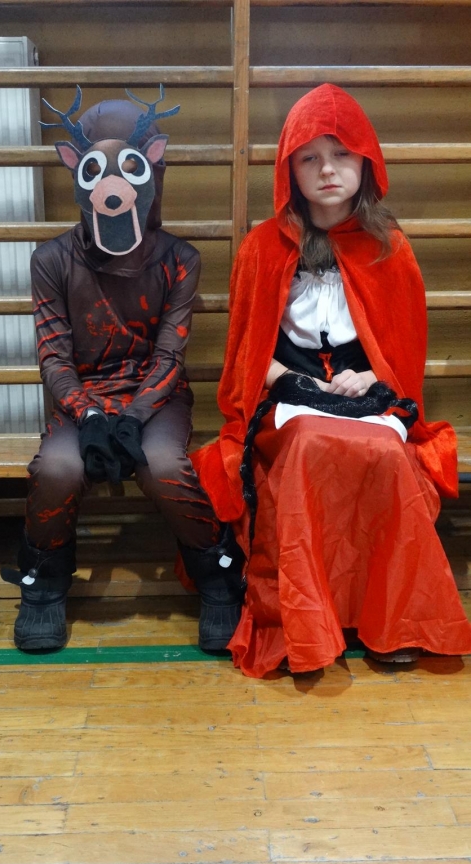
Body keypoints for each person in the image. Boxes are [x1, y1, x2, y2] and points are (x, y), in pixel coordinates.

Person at [191, 83, 471, 678]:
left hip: (369, 398)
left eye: (342, 154)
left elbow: (402, 355)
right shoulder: (263, 248)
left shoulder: (391, 247)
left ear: (365, 162)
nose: (327, 170)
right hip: (289, 398)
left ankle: (394, 621)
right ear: (289, 170)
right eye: (310, 158)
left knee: (388, 456)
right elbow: (247, 356)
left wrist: (369, 376)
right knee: (308, 445)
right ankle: (306, 622)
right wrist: (298, 384)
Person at [1, 86, 243, 652]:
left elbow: (170, 354)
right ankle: (44, 586)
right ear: (78, 173)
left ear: (150, 169)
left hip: (154, 397)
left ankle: (218, 577)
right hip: (81, 397)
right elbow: (54, 355)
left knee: (163, 464)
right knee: (57, 468)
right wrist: (87, 414)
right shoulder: (52, 260)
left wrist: (133, 416)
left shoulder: (179, 259)